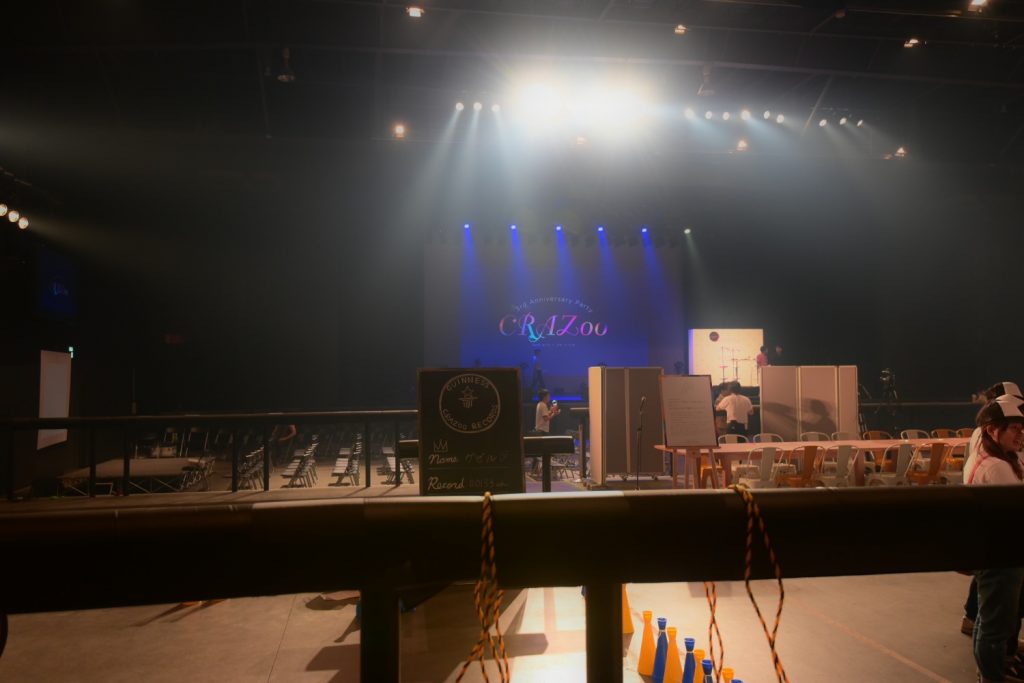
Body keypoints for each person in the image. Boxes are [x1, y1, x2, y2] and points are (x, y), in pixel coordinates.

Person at [968, 395, 1024, 683]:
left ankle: (988, 674)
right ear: (992, 430)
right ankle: (991, 677)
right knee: (995, 628)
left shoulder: (991, 458)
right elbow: (1015, 512)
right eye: (1014, 428)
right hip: (1001, 554)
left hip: (992, 551)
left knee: (987, 619)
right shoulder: (996, 467)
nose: (1021, 434)